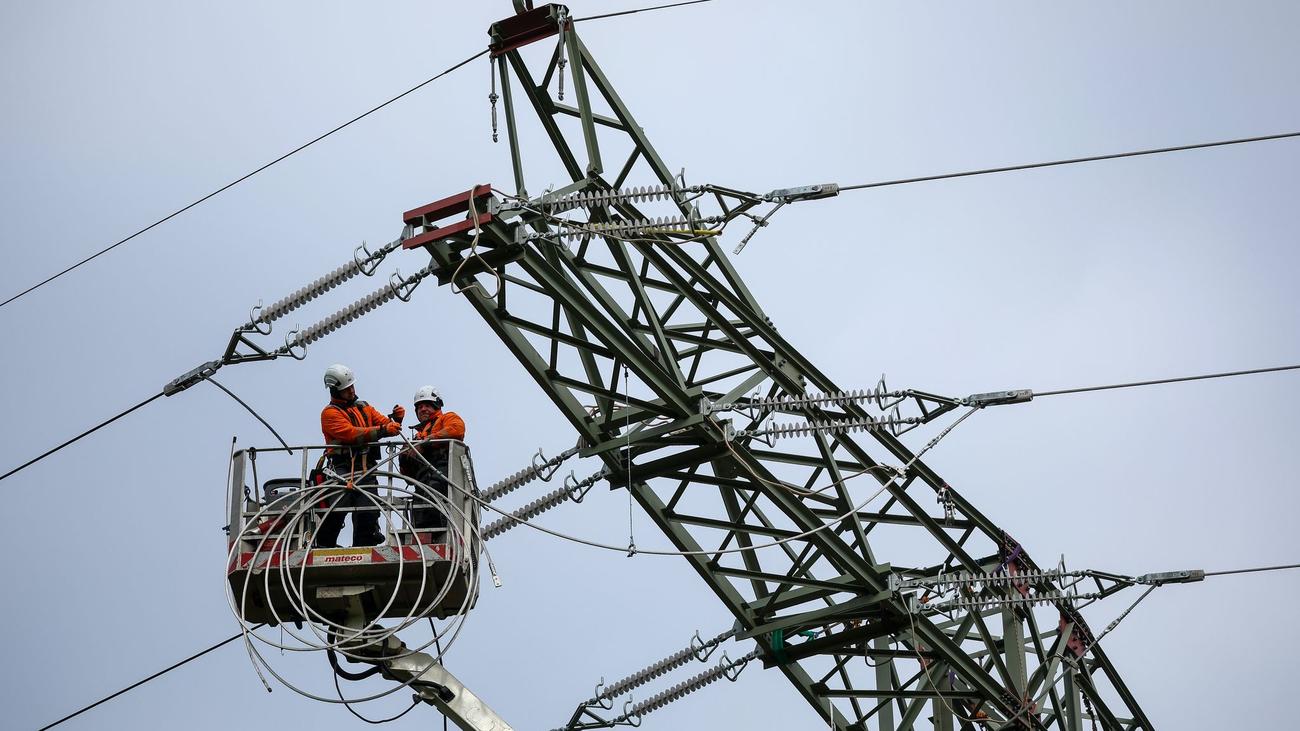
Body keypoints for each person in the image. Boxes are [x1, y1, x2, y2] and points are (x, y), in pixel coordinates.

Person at [315, 364, 405, 548]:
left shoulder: (363, 407)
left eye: (352, 386)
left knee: (368, 508)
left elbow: (385, 424)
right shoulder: (330, 413)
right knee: (337, 507)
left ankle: (363, 546)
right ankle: (325, 545)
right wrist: (383, 430)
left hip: (366, 468)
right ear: (335, 390)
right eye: (346, 388)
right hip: (342, 469)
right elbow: (351, 433)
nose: (351, 390)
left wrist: (396, 421)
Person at [399, 386, 466, 532]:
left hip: (442, 473)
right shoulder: (416, 437)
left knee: (433, 496)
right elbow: (408, 478)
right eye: (420, 407)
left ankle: (436, 533)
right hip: (422, 481)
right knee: (419, 506)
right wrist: (404, 457)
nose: (423, 409)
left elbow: (457, 429)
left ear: (436, 405)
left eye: (427, 405)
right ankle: (422, 537)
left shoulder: (447, 418)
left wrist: (427, 442)